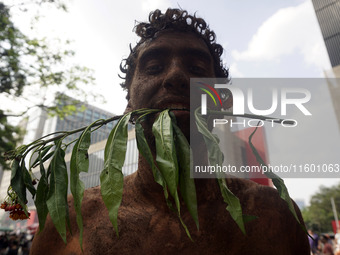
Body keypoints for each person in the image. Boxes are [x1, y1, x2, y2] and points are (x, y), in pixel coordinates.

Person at [30, 8, 310, 254]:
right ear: (129, 103)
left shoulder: (276, 216)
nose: (175, 76)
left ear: (222, 102)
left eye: (197, 68)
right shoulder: (68, 222)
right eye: (153, 67)